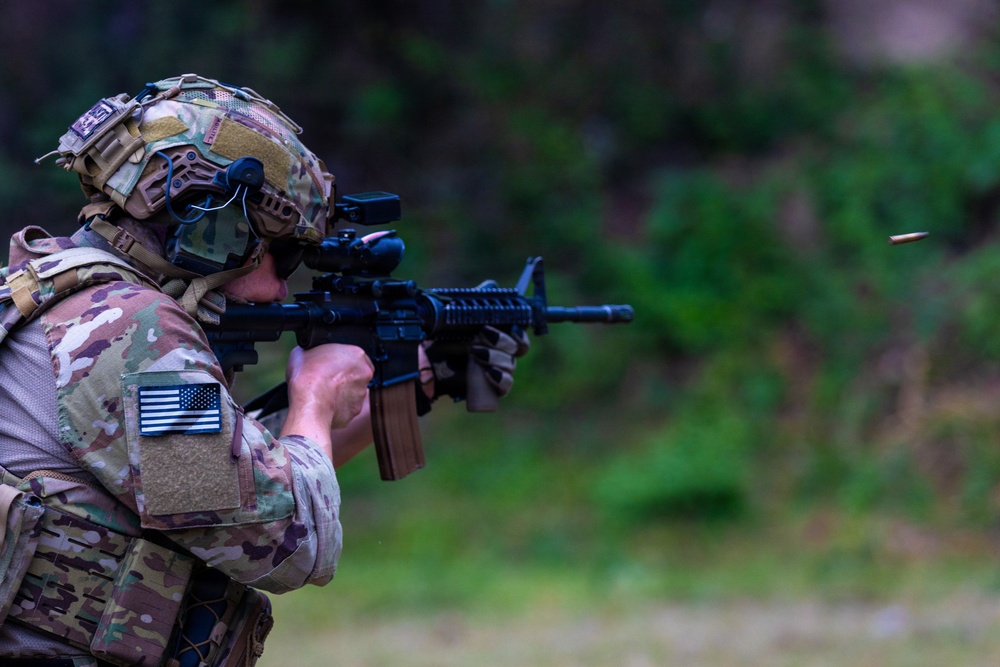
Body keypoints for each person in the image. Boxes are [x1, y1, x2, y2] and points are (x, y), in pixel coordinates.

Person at [0, 73, 528, 667]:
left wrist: (422, 375)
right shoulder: (135, 334)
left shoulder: (56, 295)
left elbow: (211, 470)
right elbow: (284, 543)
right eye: (285, 253)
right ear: (214, 227)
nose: (281, 289)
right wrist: (315, 399)